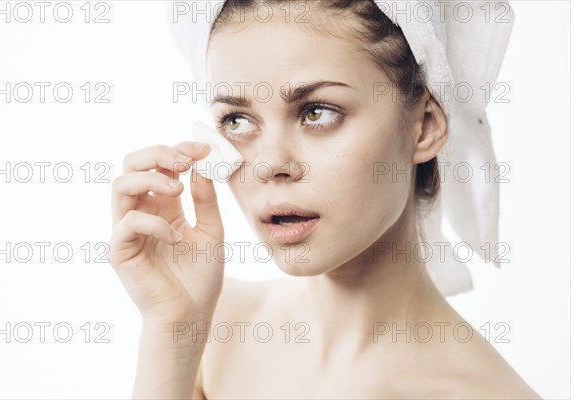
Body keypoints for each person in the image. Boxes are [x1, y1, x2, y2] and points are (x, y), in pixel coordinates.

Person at [108, 0, 541, 398]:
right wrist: (172, 334)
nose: (268, 165)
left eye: (317, 112)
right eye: (237, 120)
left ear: (424, 125)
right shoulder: (213, 332)